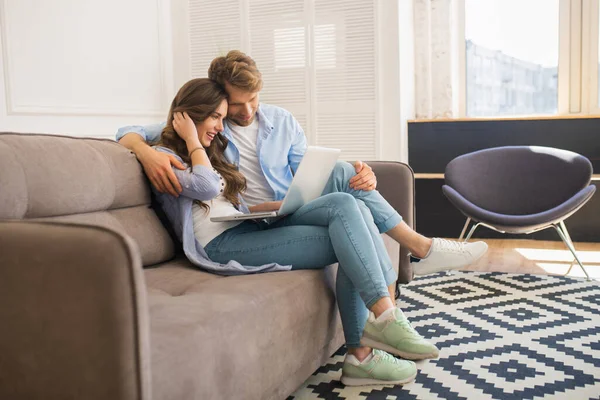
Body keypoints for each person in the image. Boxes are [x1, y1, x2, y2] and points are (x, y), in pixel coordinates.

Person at [116, 51, 489, 385]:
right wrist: (144, 152)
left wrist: (354, 175)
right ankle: (377, 331)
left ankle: (384, 317)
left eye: (253, 100)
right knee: (350, 225)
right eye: (229, 107)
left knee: (347, 193)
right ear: (209, 105)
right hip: (226, 240)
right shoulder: (188, 140)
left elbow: (299, 176)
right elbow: (172, 159)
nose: (244, 113)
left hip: (263, 217)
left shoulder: (275, 121)